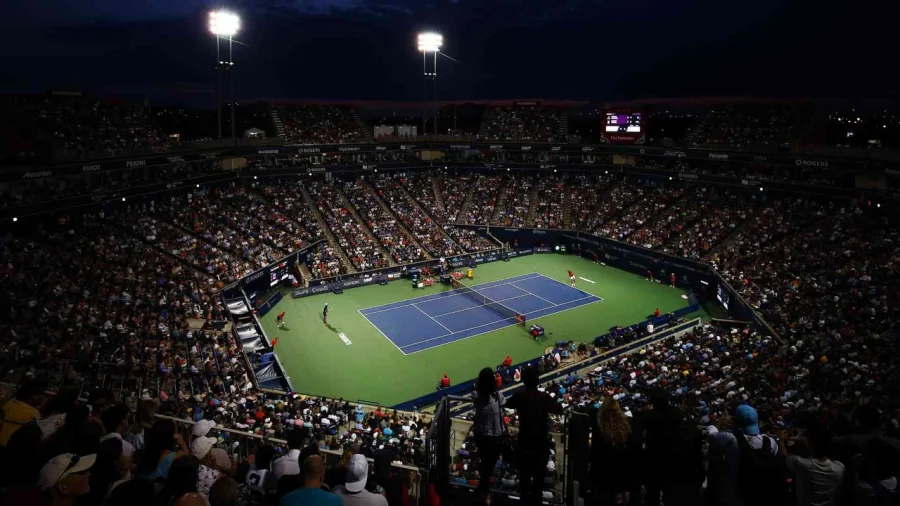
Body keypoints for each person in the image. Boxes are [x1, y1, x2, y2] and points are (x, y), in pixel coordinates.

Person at [505, 366, 563, 505]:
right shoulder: (543, 397)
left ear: (524, 380)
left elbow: (507, 403)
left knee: (524, 483)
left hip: (524, 443)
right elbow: (559, 409)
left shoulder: (520, 395)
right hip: (540, 445)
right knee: (538, 484)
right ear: (537, 381)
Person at [707, 404, 783, 506]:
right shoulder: (771, 442)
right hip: (762, 496)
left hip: (734, 498)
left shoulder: (729, 439)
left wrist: (717, 423)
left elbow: (712, 434)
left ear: (735, 421)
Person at [779, 422, 844, 506]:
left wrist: (781, 439)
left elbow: (785, 456)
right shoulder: (839, 467)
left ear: (810, 445)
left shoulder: (802, 464)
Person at [589, 397, 634, 505]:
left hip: (604, 476)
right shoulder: (627, 426)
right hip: (622, 474)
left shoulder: (599, 428)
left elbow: (595, 453)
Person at [471, 367, 506, 505]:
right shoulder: (498, 396)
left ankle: (483, 492)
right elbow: (503, 402)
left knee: (485, 465)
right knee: (487, 466)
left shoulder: (476, 395)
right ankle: (484, 493)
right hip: (495, 436)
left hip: (482, 435)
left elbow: (475, 391)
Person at [136, 419, 189, 483]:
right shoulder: (174, 456)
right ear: (171, 437)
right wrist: (182, 442)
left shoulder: (147, 449)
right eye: (175, 432)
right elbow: (188, 458)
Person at [0, 380, 48, 445]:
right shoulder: (34, 414)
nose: (45, 397)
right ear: (34, 395)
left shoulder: (7, 404)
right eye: (44, 393)